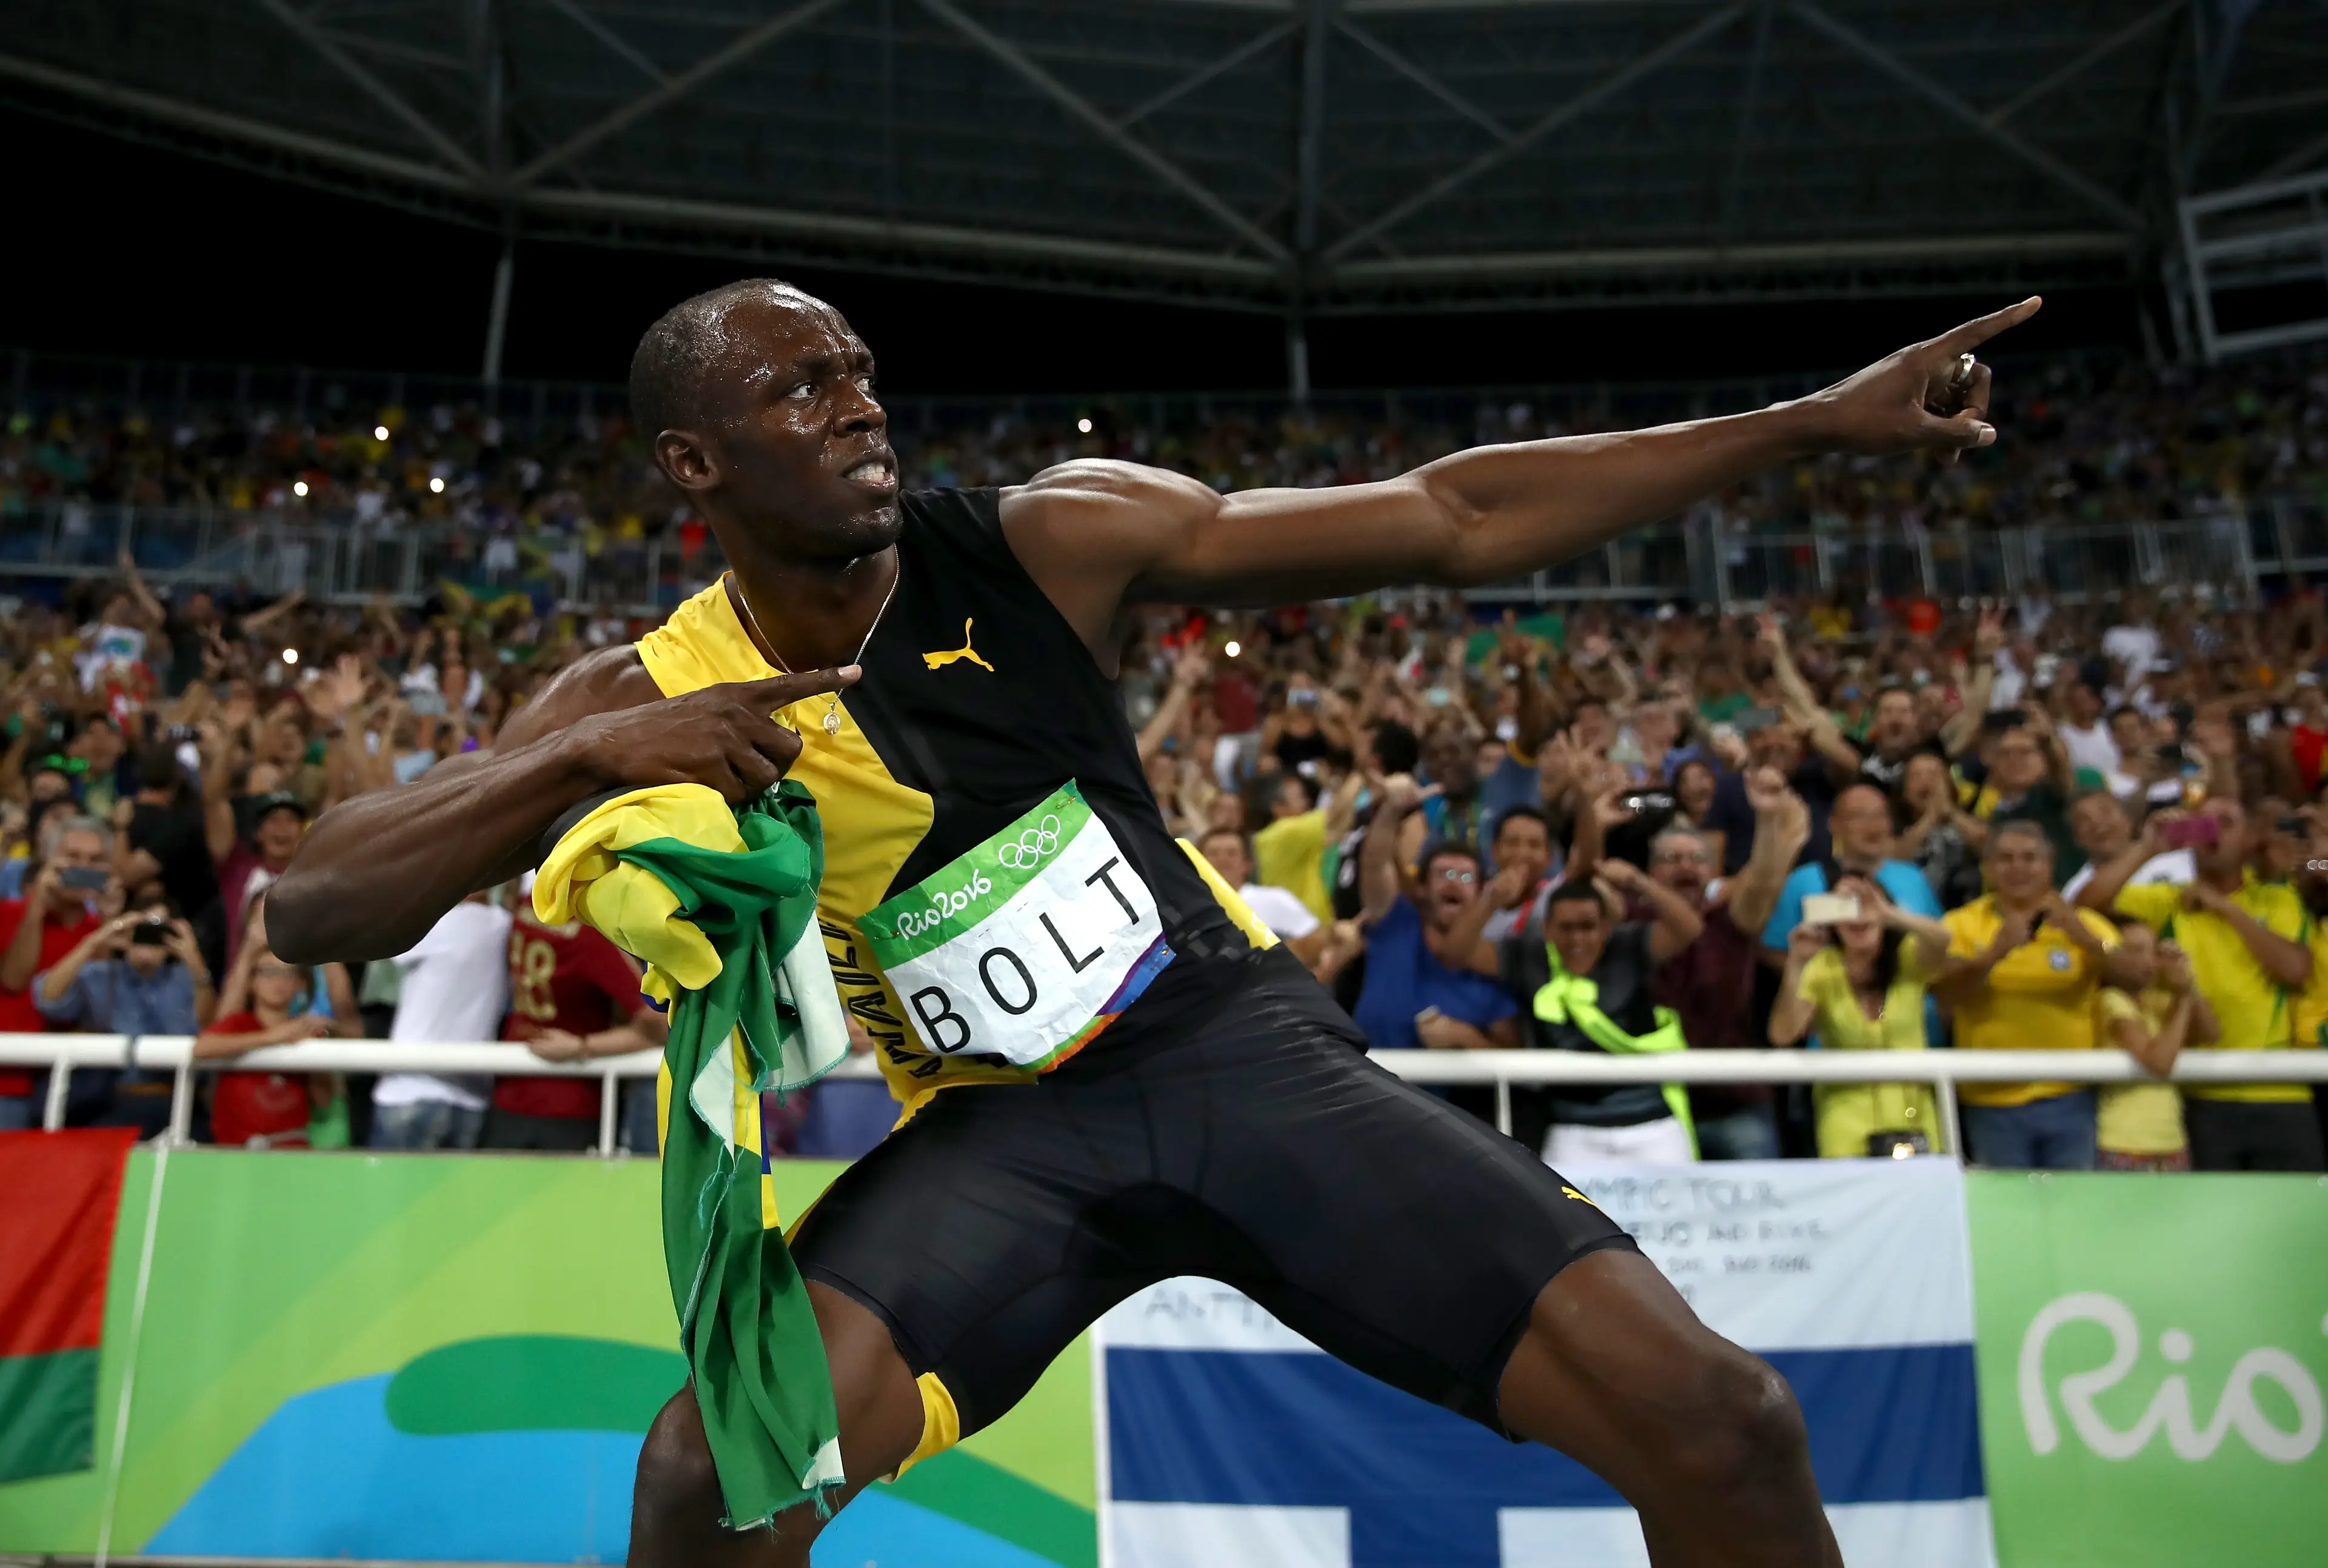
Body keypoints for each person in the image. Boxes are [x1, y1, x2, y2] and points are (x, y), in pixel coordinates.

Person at [270, 275, 2038, 1566]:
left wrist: (1805, 422)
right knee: (708, 1474)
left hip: (1233, 1055)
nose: (859, 403)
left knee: (1722, 1426)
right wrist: (589, 747)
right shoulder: (637, 684)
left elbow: (1453, 517)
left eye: (861, 372)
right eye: (801, 389)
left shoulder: (1051, 542)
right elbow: (313, 903)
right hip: (999, 1143)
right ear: (693, 461)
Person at [2079, 799, 2324, 1172]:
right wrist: (2146, 848)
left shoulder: (2278, 897)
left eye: (2226, 823)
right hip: (2200, 1091)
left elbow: (2295, 970)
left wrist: (2225, 908)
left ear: (2247, 838)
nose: (2213, 832)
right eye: (2204, 824)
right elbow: (2085, 907)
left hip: (2280, 1088)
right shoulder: (2170, 900)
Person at [1939, 821, 2127, 1170]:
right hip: (1991, 1102)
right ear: (1988, 867)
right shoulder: (1959, 924)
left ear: (2050, 864)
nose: (2018, 868)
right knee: (2009, 1217)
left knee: (2072, 1211)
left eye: (2030, 858)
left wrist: (2083, 937)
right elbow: (1945, 998)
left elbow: (2134, 976)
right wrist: (1994, 953)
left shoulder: (2083, 922)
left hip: (2070, 1096)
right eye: (2006, 859)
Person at [1499, 862, 1705, 1165]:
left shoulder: (1630, 947)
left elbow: (1690, 928)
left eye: (1588, 927)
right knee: (1563, 1214)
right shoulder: (1530, 961)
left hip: (1653, 1128)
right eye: (1567, 928)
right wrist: (1492, 898)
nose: (1578, 940)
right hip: (1572, 1131)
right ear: (1548, 929)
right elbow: (1455, 954)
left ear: (1606, 928)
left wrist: (1638, 880)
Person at [1768, 876, 1953, 1158]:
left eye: (1864, 902)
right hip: (1846, 1113)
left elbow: (1943, 939)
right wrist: (1796, 964)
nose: (1857, 914)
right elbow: (1783, 1034)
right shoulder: (1821, 968)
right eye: (1845, 904)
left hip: (1914, 1109)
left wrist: (1892, 915)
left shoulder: (1908, 959)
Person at [492, 889, 666, 1152]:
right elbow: (659, 1025)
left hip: (510, 1091)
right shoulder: (591, 936)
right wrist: (583, 1047)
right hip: (569, 1104)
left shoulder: (529, 905)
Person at [1352, 779, 1517, 1052]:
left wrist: (1466, 1039)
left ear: (1481, 892)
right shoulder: (1395, 921)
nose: (1453, 883)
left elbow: (1517, 1059)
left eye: (1465, 877)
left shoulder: (1487, 966)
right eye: (1443, 874)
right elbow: (1374, 864)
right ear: (1423, 889)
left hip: (1434, 1095)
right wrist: (1391, 812)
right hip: (1364, 1086)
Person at [34, 899, 212, 1134]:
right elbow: (48, 999)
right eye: (141, 929)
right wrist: (95, 941)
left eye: (158, 930)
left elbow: (209, 1025)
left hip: (176, 1100)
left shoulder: (186, 979)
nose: (149, 939)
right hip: (109, 1099)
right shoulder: (101, 975)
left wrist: (194, 960)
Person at [370, 890, 513, 1151]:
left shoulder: (437, 925)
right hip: (471, 1100)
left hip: (409, 1092)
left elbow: (375, 938)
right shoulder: (504, 926)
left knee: (390, 1193)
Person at [0, 815, 118, 1130]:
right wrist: (37, 905)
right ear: (51, 862)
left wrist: (110, 923)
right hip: (9, 1080)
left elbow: (102, 1011)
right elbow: (13, 980)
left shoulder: (101, 930)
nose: (83, 867)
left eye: (95, 860)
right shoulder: (8, 913)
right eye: (73, 858)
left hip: (72, 1082)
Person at [195, 939, 350, 1148]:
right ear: (251, 982)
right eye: (267, 972)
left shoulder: (307, 1033)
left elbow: (322, 1100)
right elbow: (201, 1048)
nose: (278, 981)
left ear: (301, 983)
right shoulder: (237, 1024)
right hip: (234, 1151)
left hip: (291, 1153)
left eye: (287, 973)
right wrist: (273, 1038)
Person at [2093, 919, 2215, 1172]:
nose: (2149, 962)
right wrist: (2182, 998)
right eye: (2136, 951)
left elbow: (2210, 1033)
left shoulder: (2156, 1002)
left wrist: (2188, 983)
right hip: (2123, 1145)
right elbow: (2158, 1062)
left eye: (2154, 952)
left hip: (2172, 1143)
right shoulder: (2109, 1001)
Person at [1195, 825, 1328, 972]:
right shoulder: (1185, 907)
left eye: (1232, 853)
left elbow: (1317, 941)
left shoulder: (1276, 899)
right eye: (1213, 853)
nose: (1222, 859)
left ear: (1247, 864)